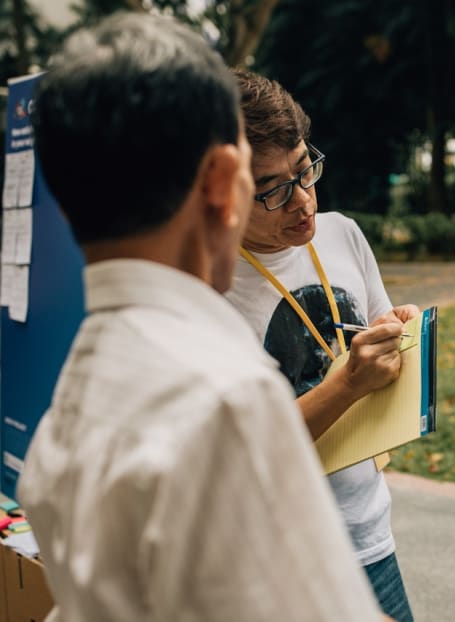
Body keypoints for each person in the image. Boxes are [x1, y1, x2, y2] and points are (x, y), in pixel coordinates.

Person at [18, 13, 391, 621]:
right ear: (223, 181)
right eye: (261, 181)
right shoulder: (227, 402)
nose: (295, 199)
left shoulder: (69, 407)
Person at [226, 68, 418, 621]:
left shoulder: (343, 234)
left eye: (305, 169)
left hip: (369, 532)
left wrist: (395, 333)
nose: (303, 201)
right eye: (274, 192)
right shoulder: (212, 290)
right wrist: (349, 382)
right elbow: (250, 451)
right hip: (281, 560)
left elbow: (379, 335)